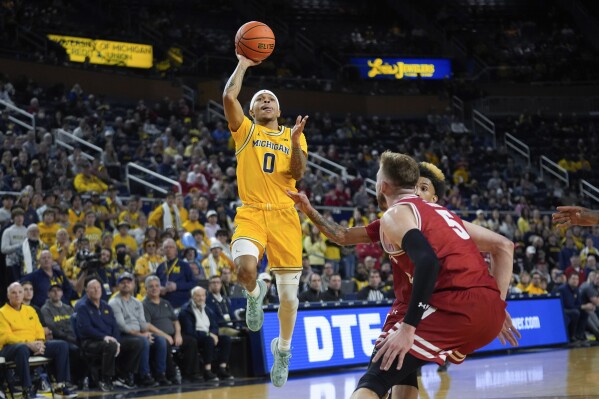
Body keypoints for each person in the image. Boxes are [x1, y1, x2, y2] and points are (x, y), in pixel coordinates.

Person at [288, 159, 519, 399]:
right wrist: (497, 303)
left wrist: (408, 328)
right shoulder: (443, 217)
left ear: (383, 186)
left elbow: (429, 262)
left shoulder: (401, 214)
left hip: (449, 305)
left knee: (376, 377)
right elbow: (343, 235)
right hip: (465, 307)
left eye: (424, 188)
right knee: (399, 370)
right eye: (416, 186)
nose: (418, 191)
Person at [222, 51, 309, 387]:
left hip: (285, 216)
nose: (265, 101)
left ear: (279, 110)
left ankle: (283, 350)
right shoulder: (244, 131)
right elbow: (230, 95)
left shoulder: (294, 135)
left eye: (271, 99)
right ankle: (254, 293)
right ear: (254, 111)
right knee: (244, 268)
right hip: (253, 212)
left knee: (290, 298)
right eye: (259, 99)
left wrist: (296, 144)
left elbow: (298, 174)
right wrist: (244, 62)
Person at [0, 282, 76, 399]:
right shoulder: (2, 312)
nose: (17, 295)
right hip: (10, 348)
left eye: (20, 292)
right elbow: (6, 337)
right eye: (13, 293)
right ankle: (27, 389)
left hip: (33, 346)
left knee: (61, 345)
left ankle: (60, 385)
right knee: (22, 348)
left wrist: (40, 342)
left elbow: (39, 329)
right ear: (8, 295)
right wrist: (28, 343)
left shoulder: (30, 310)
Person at [75, 278, 143, 391]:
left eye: (98, 288)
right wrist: (104, 337)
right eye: (93, 288)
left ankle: (124, 375)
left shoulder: (106, 306)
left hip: (110, 340)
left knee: (138, 342)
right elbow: (86, 330)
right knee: (109, 345)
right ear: (87, 291)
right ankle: (105, 379)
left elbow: (114, 327)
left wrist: (117, 340)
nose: (96, 290)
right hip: (91, 341)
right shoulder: (82, 307)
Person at [108, 272, 163, 386]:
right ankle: (144, 376)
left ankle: (160, 374)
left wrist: (146, 332)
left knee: (160, 340)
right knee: (143, 341)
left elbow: (142, 323)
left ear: (133, 285)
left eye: (128, 282)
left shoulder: (137, 302)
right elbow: (121, 326)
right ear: (118, 286)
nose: (126, 285)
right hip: (121, 335)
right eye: (122, 283)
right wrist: (141, 335)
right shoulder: (114, 302)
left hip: (137, 333)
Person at [142, 275, 201, 384]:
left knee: (191, 341)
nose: (154, 288)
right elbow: (147, 325)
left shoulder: (166, 303)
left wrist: (178, 334)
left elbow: (175, 321)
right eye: (151, 286)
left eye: (157, 286)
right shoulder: (144, 304)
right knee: (164, 343)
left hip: (172, 334)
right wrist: (165, 335)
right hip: (157, 336)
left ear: (160, 287)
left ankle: (189, 374)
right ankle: (171, 375)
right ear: (146, 289)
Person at [178, 287, 233, 381]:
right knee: (209, 340)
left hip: (209, 335)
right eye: (198, 296)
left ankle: (222, 368)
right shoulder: (186, 311)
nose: (201, 298)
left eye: (203, 295)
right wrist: (209, 335)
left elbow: (214, 326)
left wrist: (213, 333)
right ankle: (207, 371)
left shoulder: (207, 309)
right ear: (192, 297)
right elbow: (189, 331)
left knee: (226, 339)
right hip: (195, 337)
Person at [156, 238, 197, 308]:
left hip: (182, 303)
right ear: (163, 251)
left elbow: (193, 283)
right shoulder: (160, 267)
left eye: (171, 247)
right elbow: (155, 283)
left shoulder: (184, 265)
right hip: (163, 303)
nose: (168, 249)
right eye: (166, 247)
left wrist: (177, 286)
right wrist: (158, 288)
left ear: (176, 251)